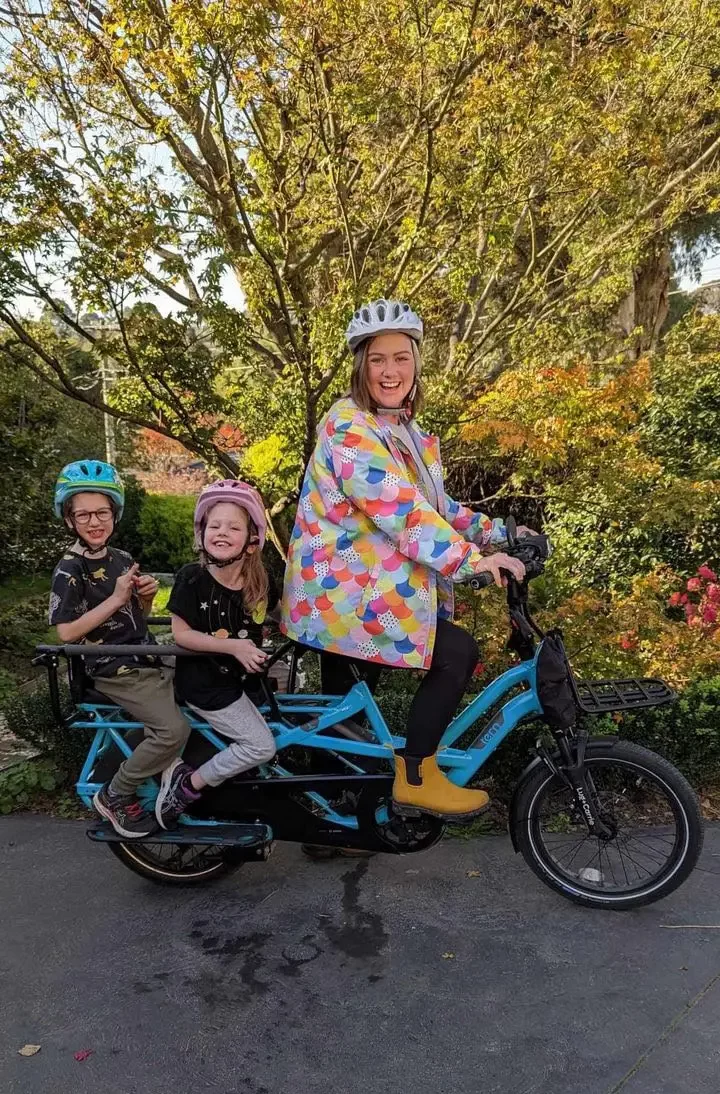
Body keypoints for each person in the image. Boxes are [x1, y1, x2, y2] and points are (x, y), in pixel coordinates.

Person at [281, 298, 527, 821]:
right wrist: (473, 561)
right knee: (455, 654)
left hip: (367, 595)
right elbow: (399, 509)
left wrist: (499, 532)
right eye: (377, 360)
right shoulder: (349, 426)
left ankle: (339, 813)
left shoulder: (403, 430)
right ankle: (416, 775)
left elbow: (436, 507)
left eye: (401, 358)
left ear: (416, 364)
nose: (390, 371)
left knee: (344, 712)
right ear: (360, 366)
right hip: (345, 597)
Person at [49, 460, 191, 838]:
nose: (95, 522)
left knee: (208, 682)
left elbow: (135, 618)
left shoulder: (123, 559)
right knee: (172, 729)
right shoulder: (69, 569)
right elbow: (65, 633)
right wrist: (114, 599)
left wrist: (145, 598)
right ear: (69, 520)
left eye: (102, 512)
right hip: (111, 668)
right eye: (83, 515)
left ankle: (172, 768)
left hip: (144, 653)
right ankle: (116, 793)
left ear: (115, 514)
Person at [154, 480, 278, 828]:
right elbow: (181, 634)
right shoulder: (191, 578)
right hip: (206, 686)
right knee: (260, 747)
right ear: (202, 533)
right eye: (215, 525)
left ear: (252, 542)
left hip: (244, 684)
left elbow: (285, 615)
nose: (222, 532)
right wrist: (233, 646)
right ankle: (187, 785)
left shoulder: (260, 581)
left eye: (234, 526)